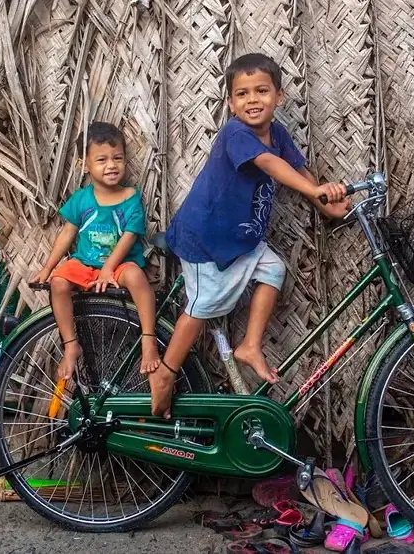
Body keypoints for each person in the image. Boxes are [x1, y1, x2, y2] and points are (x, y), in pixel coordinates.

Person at [149, 53, 350, 418]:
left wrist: (323, 201)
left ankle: (250, 346)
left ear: (280, 96)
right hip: (206, 239)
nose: (252, 100)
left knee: (274, 270)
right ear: (230, 103)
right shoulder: (235, 134)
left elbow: (297, 168)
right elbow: (269, 164)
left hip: (240, 240)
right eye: (242, 94)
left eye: (261, 91)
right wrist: (315, 193)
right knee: (202, 306)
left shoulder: (278, 133)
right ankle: (166, 372)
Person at [32, 122, 160, 386]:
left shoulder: (131, 198)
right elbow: (67, 234)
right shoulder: (81, 199)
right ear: (85, 165)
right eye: (101, 160)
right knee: (58, 282)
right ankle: (70, 344)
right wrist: (47, 267)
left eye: (117, 158)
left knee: (137, 278)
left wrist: (109, 268)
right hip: (85, 263)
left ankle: (148, 339)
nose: (111, 165)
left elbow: (129, 237)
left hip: (120, 264)